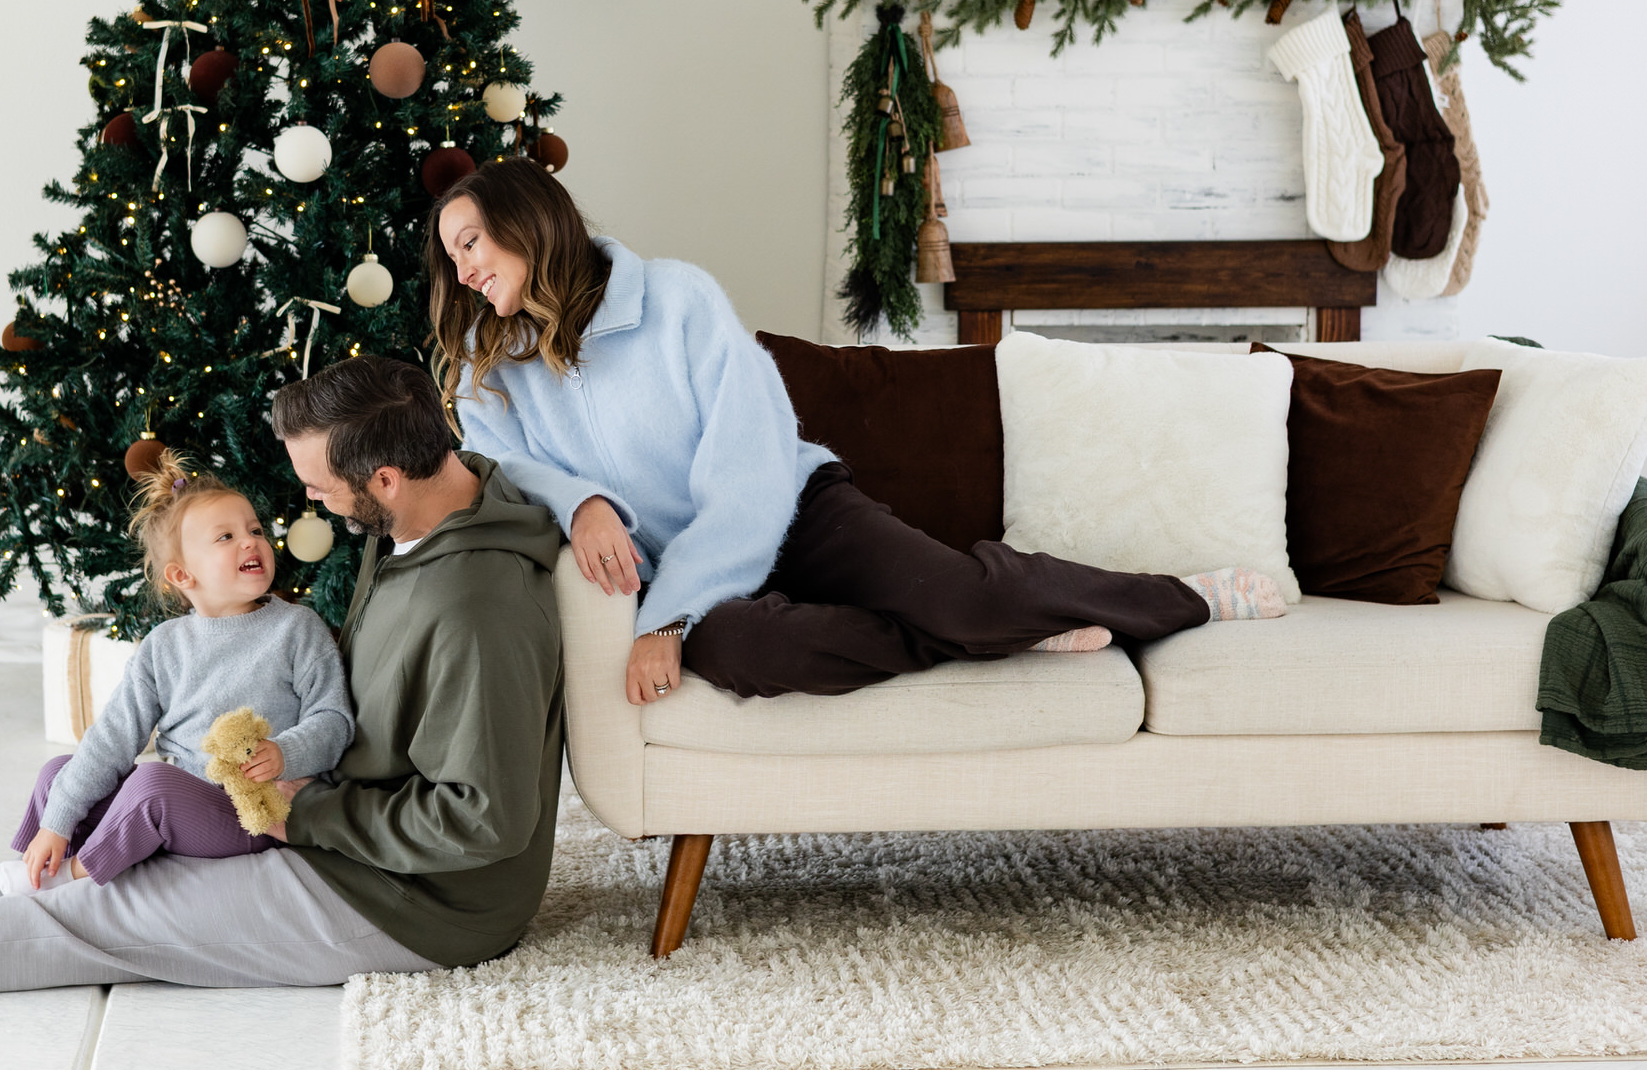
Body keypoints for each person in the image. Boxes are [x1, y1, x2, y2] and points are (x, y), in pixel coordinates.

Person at [0, 355, 564, 995]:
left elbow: (486, 819)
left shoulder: (475, 609)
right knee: (61, 837)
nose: (307, 506)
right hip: (323, 821)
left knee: (90, 908)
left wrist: (301, 807)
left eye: (322, 488)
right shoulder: (423, 518)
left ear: (391, 475)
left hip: (414, 899)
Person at [427, 158, 1284, 708]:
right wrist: (582, 504)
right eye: (453, 257)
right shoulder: (492, 367)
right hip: (700, 586)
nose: (463, 268)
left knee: (963, 596)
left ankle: (1185, 595)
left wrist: (668, 612)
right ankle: (998, 629)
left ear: (528, 222)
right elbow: (504, 467)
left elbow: (748, 463)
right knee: (749, 652)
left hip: (797, 511)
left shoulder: (676, 301)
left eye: (472, 242)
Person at [3, 447, 353, 894]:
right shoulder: (164, 645)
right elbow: (113, 736)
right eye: (225, 538)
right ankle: (35, 863)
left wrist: (284, 753)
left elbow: (335, 722)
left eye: (255, 530)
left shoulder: (297, 627)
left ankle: (70, 879)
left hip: (253, 815)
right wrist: (56, 822)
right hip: (184, 803)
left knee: (152, 784)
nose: (251, 541)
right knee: (58, 773)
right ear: (183, 576)